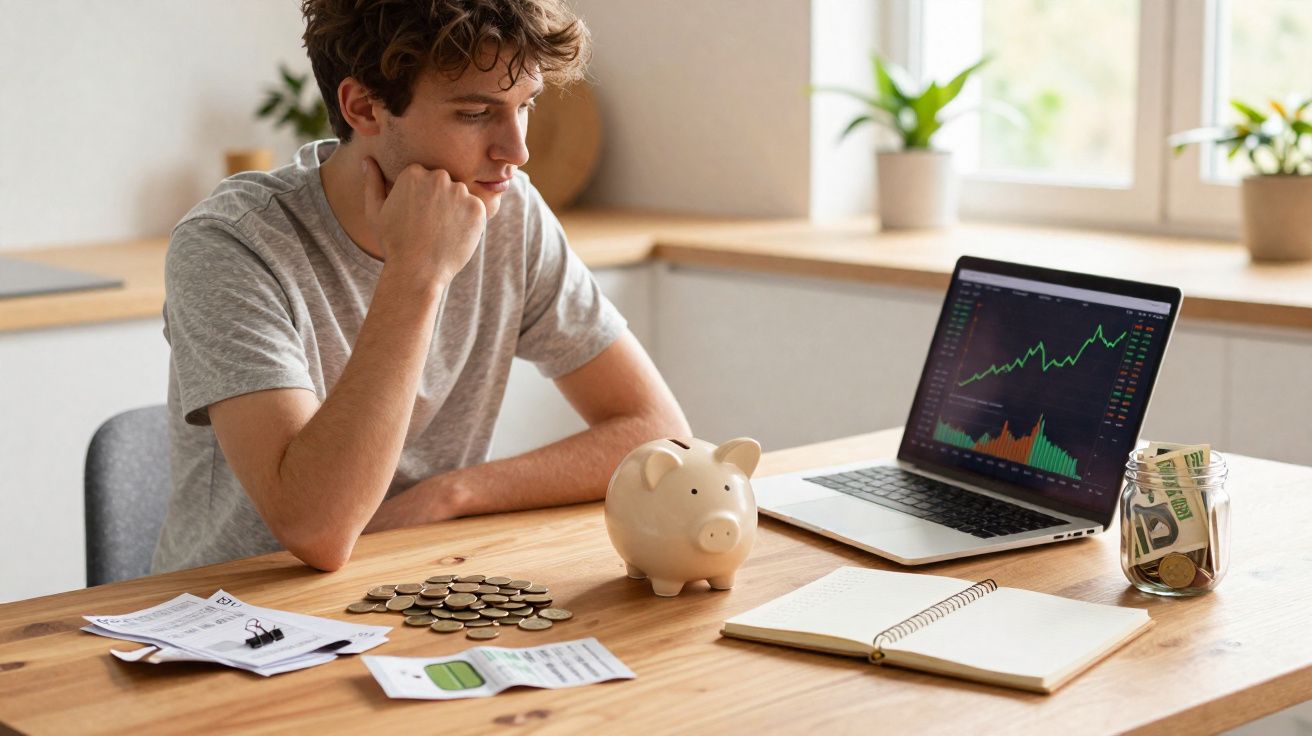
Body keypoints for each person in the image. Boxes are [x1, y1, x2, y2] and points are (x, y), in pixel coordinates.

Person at [151, 0, 690, 574]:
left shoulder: (511, 213)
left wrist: (451, 495)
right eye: (476, 113)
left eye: (524, 106)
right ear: (364, 108)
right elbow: (317, 530)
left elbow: (659, 435)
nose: (518, 151)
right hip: (237, 618)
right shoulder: (232, 244)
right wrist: (417, 273)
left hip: (417, 581)